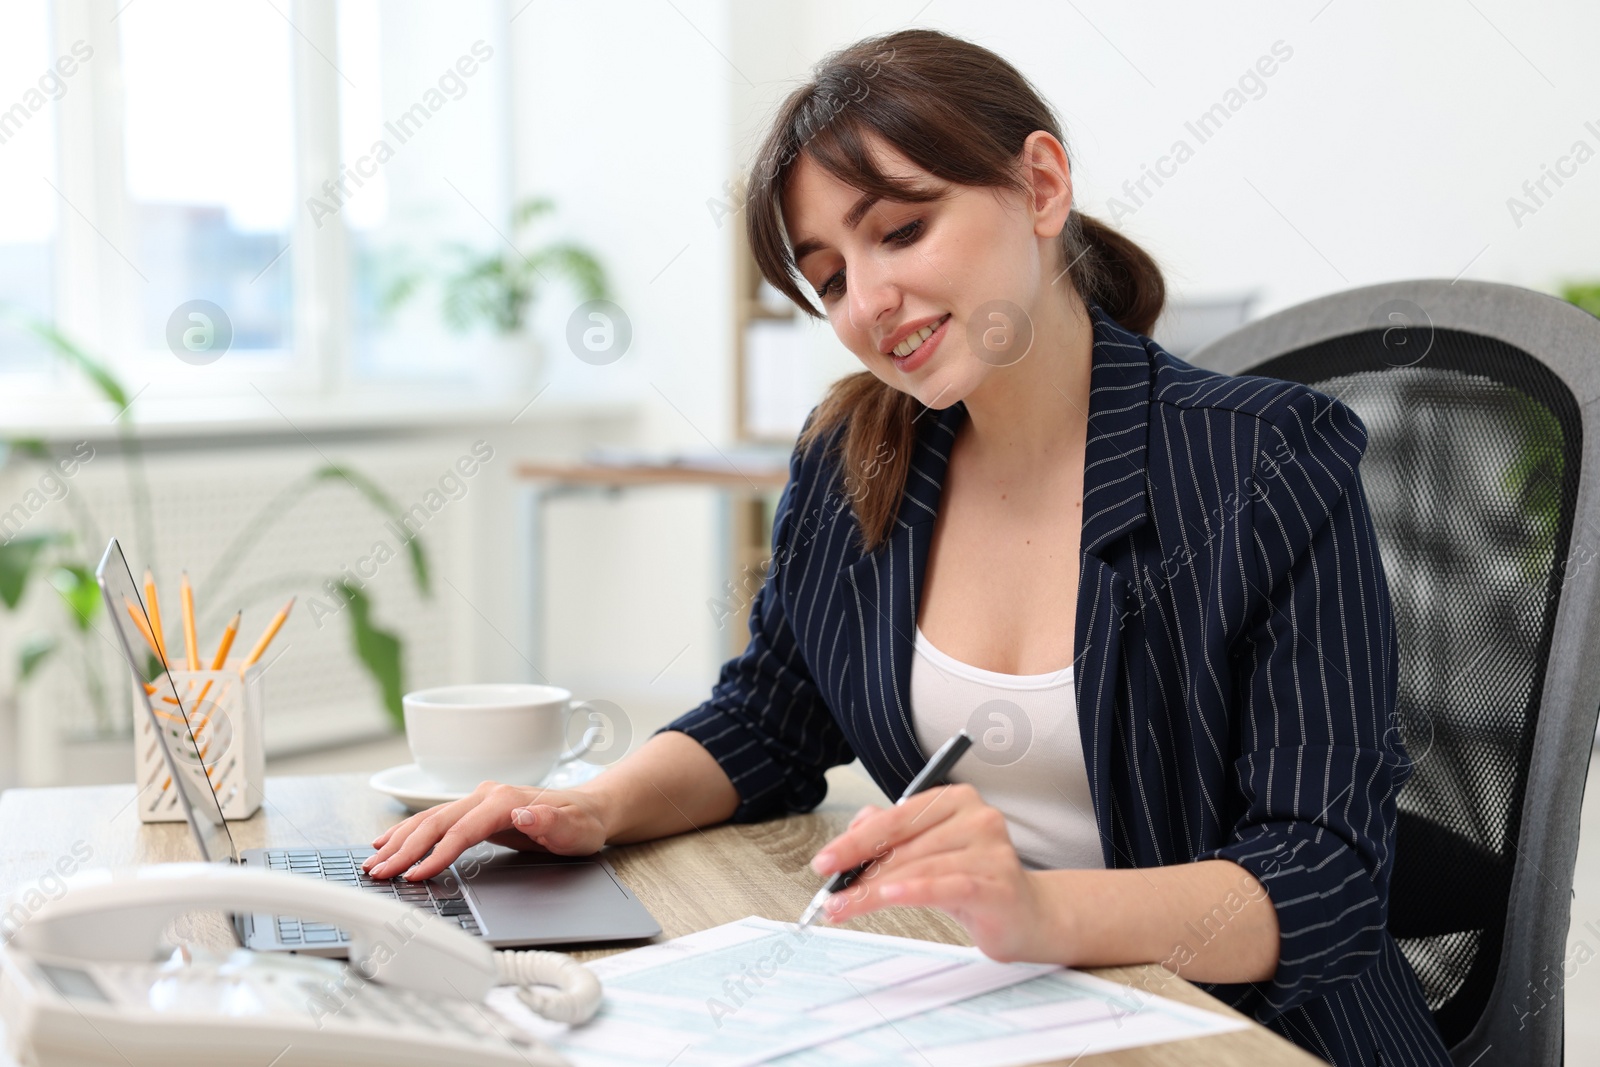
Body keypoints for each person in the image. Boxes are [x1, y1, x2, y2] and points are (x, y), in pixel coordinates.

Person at [365, 27, 1451, 1066]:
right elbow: (766, 720)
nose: (869, 303)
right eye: (828, 277)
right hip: (988, 1008)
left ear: (1038, 186)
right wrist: (586, 804)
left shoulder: (1265, 460)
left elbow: (1326, 875)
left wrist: (1034, 911)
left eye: (899, 230)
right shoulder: (863, 458)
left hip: (1247, 1034)